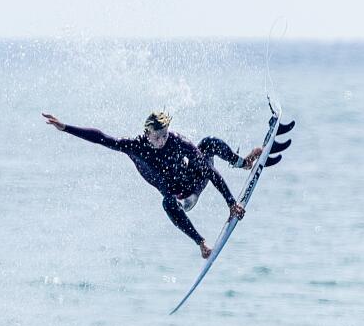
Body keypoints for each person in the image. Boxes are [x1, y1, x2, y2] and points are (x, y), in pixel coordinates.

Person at [43, 110, 262, 259]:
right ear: (147, 133)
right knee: (167, 202)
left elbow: (208, 171)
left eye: (165, 135)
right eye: (157, 136)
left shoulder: (177, 142)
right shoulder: (134, 146)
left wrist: (232, 204)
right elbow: (101, 138)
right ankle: (201, 243)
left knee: (209, 143)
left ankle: (243, 163)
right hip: (180, 199)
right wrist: (65, 128)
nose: (162, 140)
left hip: (194, 183)